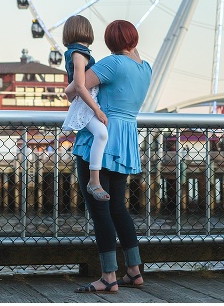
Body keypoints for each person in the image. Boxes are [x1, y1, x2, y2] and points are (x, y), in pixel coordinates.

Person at [70, 20, 152, 294]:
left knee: (99, 209)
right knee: (118, 207)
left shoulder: (112, 63)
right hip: (127, 137)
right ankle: (134, 270)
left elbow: (76, 88)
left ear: (109, 42)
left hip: (103, 136)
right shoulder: (146, 69)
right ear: (134, 39)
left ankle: (108, 276)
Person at [61, 15, 110, 202]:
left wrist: (68, 91)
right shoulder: (79, 54)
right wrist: (96, 110)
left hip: (85, 100)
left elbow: (72, 86)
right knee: (101, 134)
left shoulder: (75, 52)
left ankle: (94, 180)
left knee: (101, 134)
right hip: (86, 103)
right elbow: (80, 85)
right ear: (86, 31)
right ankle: (94, 181)